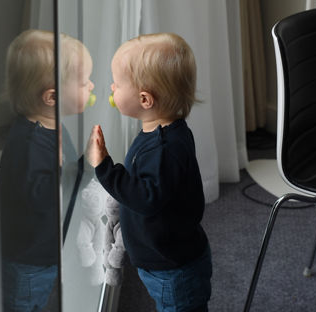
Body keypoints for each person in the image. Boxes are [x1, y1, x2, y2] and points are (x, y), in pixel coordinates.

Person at [86, 32, 212, 312]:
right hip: (170, 257)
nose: (111, 87)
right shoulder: (165, 131)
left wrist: (104, 166)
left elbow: (146, 197)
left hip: (172, 268)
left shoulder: (163, 148)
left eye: (117, 84)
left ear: (145, 100)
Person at [0, 29, 94, 312]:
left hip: (43, 252)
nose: (92, 87)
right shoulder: (30, 145)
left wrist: (86, 166)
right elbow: (42, 198)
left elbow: (68, 180)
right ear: (52, 97)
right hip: (27, 260)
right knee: (23, 303)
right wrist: (75, 169)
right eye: (84, 83)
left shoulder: (53, 127)